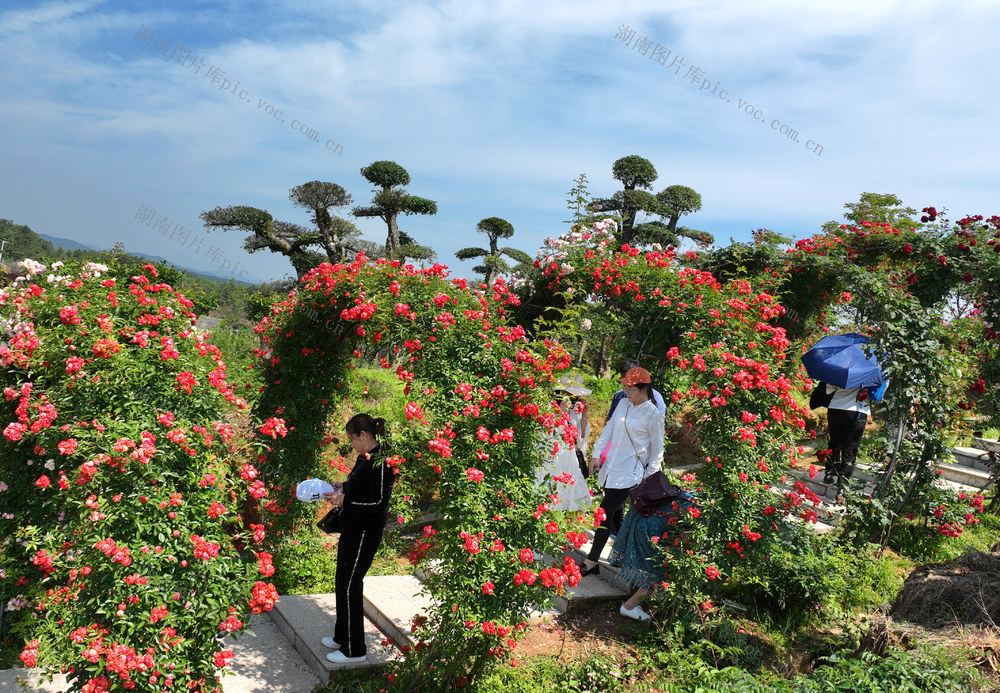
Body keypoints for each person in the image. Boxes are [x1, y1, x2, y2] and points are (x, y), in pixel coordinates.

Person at [320, 414, 394, 664]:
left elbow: (379, 502)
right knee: (342, 581)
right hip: (353, 527)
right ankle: (343, 637)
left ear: (364, 435)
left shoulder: (383, 462)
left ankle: (354, 650)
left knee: (351, 583)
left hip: (365, 531)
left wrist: (345, 500)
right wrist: (342, 486)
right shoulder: (365, 457)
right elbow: (361, 487)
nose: (351, 444)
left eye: (352, 438)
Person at [579, 367, 664, 579]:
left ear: (643, 388)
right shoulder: (623, 404)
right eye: (625, 387)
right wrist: (596, 454)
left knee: (603, 514)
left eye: (631, 389)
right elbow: (608, 430)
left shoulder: (653, 414)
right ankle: (607, 558)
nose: (626, 392)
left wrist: (650, 478)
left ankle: (591, 561)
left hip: (632, 473)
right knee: (612, 516)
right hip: (611, 469)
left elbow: (657, 450)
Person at [609, 489, 695, 621]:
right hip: (651, 529)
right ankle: (629, 607)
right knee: (656, 571)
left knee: (651, 565)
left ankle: (634, 602)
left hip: (642, 519)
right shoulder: (696, 508)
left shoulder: (684, 498)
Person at [536, 383, 594, 510]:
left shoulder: (571, 413)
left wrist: (584, 414)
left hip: (568, 456)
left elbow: (581, 437)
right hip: (555, 456)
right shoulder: (551, 416)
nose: (572, 400)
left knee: (570, 490)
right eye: (567, 398)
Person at [823, 384, 871, 487]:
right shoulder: (872, 371)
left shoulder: (842, 367)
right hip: (857, 411)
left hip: (836, 407)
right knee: (850, 448)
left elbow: (828, 390)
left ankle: (829, 474)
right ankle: (843, 484)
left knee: (834, 443)